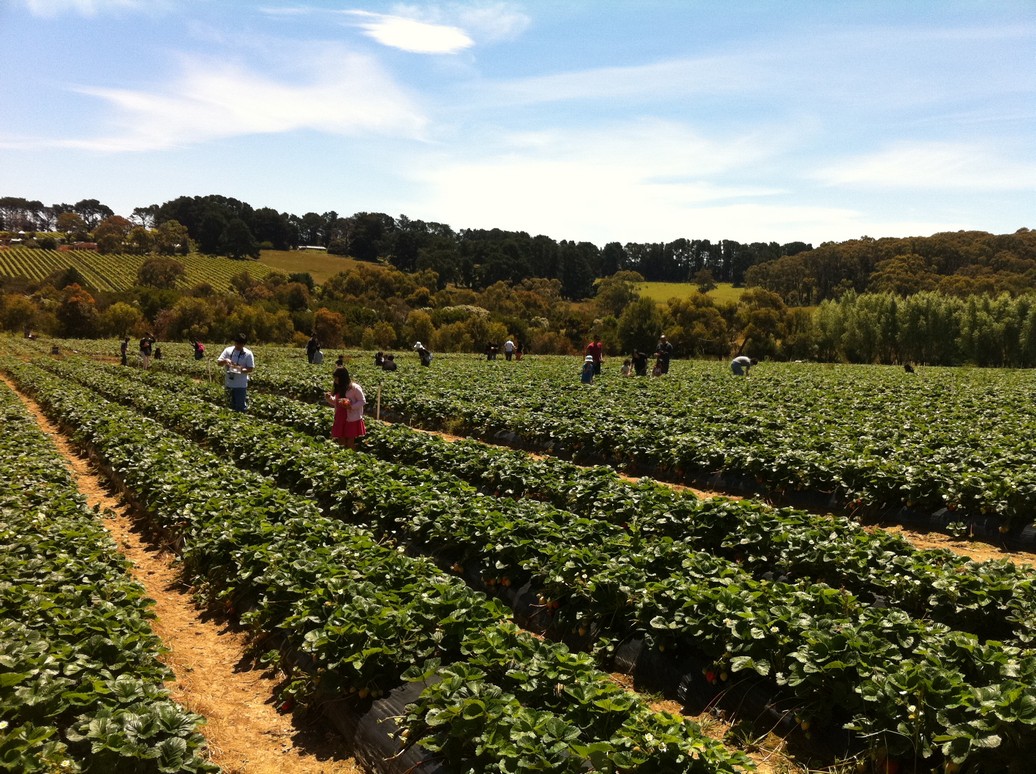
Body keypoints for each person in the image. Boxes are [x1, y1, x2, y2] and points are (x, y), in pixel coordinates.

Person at [325, 367, 367, 449]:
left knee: (350, 441)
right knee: (341, 440)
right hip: (340, 416)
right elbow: (336, 402)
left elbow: (362, 401)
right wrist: (328, 398)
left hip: (351, 417)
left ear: (343, 378)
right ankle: (343, 457)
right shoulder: (338, 388)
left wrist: (351, 406)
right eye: (335, 379)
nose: (336, 381)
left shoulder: (354, 388)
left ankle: (350, 458)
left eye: (337, 378)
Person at [217, 333, 255, 412]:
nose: (238, 346)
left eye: (240, 344)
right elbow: (219, 363)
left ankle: (240, 421)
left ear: (244, 344)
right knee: (228, 405)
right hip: (228, 383)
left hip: (240, 385)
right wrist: (225, 361)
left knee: (240, 407)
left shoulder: (248, 353)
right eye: (237, 343)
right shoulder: (228, 350)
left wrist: (239, 369)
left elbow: (250, 368)